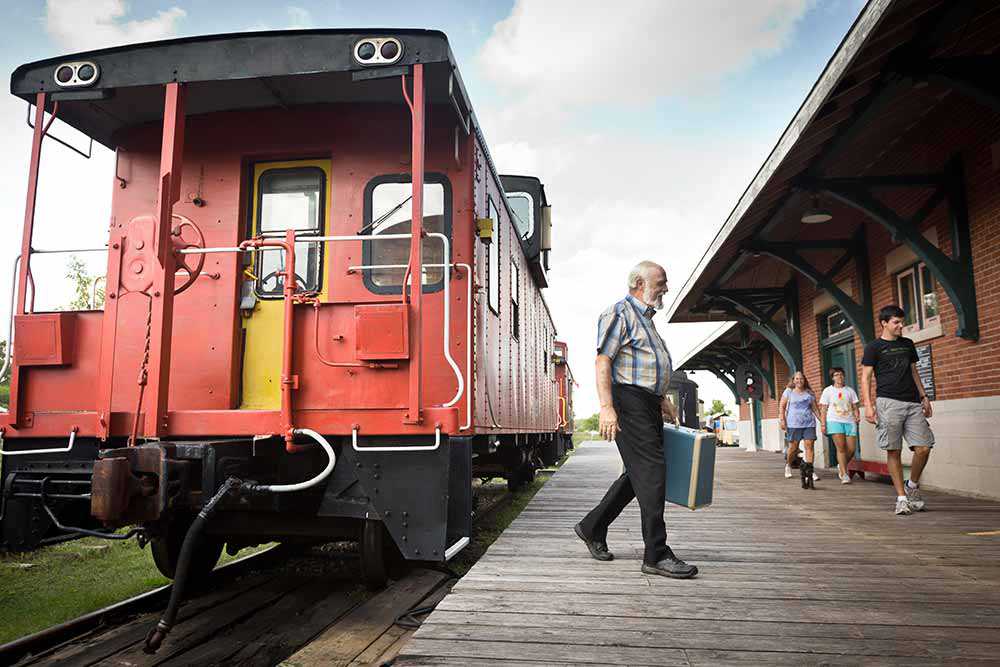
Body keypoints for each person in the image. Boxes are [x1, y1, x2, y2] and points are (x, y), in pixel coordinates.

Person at [574, 261, 697, 579]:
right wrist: (606, 407)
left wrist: (661, 399)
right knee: (653, 471)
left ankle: (592, 526)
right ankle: (655, 554)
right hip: (627, 402)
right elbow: (603, 361)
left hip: (646, 403)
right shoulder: (619, 312)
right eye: (661, 282)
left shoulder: (647, 320)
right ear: (639, 283)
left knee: (639, 474)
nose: (665, 288)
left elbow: (646, 365)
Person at [861, 305, 934, 516]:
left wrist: (924, 396)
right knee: (893, 450)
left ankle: (912, 486)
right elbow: (865, 378)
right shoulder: (873, 347)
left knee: (924, 447)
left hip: (912, 402)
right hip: (887, 403)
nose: (901, 326)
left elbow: (914, 371)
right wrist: (868, 405)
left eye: (902, 322)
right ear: (884, 323)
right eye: (896, 322)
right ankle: (901, 498)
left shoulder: (907, 344)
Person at [779, 371, 825, 489]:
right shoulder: (789, 392)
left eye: (801, 379)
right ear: (793, 380)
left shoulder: (809, 392)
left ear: (804, 380)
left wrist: (822, 421)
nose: (799, 381)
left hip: (809, 423)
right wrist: (782, 420)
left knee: (809, 446)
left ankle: (810, 470)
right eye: (797, 379)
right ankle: (788, 465)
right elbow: (782, 406)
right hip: (793, 424)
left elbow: (814, 408)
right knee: (793, 448)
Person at [820, 367, 861, 484]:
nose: (839, 377)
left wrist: (857, 415)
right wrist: (823, 424)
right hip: (834, 421)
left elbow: (854, 406)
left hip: (850, 421)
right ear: (833, 378)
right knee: (841, 448)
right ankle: (844, 474)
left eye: (841, 374)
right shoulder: (828, 391)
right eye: (836, 375)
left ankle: (841, 465)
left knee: (852, 449)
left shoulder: (850, 391)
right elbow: (823, 409)